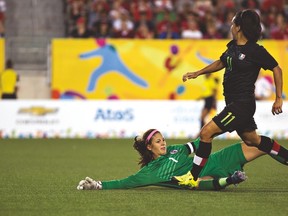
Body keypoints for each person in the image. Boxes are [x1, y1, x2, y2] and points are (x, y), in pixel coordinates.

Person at [176, 9, 287, 188]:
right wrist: (198, 72)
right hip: (235, 103)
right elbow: (221, 62)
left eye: (233, 22)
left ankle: (191, 177)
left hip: (241, 105)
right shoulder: (232, 47)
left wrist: (278, 98)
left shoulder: (255, 50)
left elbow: (277, 69)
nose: (230, 25)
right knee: (253, 140)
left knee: (206, 133)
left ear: (239, 27)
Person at [77, 129, 286, 191]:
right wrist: (98, 185)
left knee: (265, 144)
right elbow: (125, 182)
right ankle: (229, 179)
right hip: (204, 176)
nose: (164, 144)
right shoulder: (151, 172)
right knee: (197, 184)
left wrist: (216, 129)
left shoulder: (175, 150)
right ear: (149, 147)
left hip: (218, 158)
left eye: (163, 140)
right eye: (158, 142)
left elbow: (197, 144)